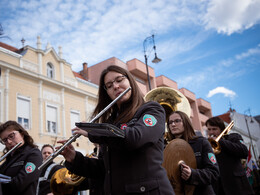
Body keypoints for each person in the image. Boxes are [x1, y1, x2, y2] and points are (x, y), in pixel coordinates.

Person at [58, 65, 175, 194]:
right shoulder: (110, 123)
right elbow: (104, 169)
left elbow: (135, 138)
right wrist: (74, 158)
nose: (115, 86)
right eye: (109, 86)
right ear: (107, 93)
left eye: (119, 80)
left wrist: (94, 132)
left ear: (130, 81)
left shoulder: (152, 109)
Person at [166, 111, 219, 195]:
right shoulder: (167, 148)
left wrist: (192, 174)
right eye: (170, 122)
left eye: (177, 121)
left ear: (186, 122)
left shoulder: (201, 142)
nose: (173, 124)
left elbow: (213, 173)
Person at [206, 116, 254, 195]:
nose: (211, 132)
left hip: (237, 185)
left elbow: (244, 151)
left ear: (221, 129)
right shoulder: (207, 144)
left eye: (214, 129)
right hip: (220, 187)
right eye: (209, 129)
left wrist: (220, 141)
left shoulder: (233, 137)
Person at [0, 120, 42, 195]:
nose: (9, 142)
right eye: (5, 140)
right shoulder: (9, 159)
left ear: (22, 134)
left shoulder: (34, 154)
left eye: (11, 136)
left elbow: (20, 183)